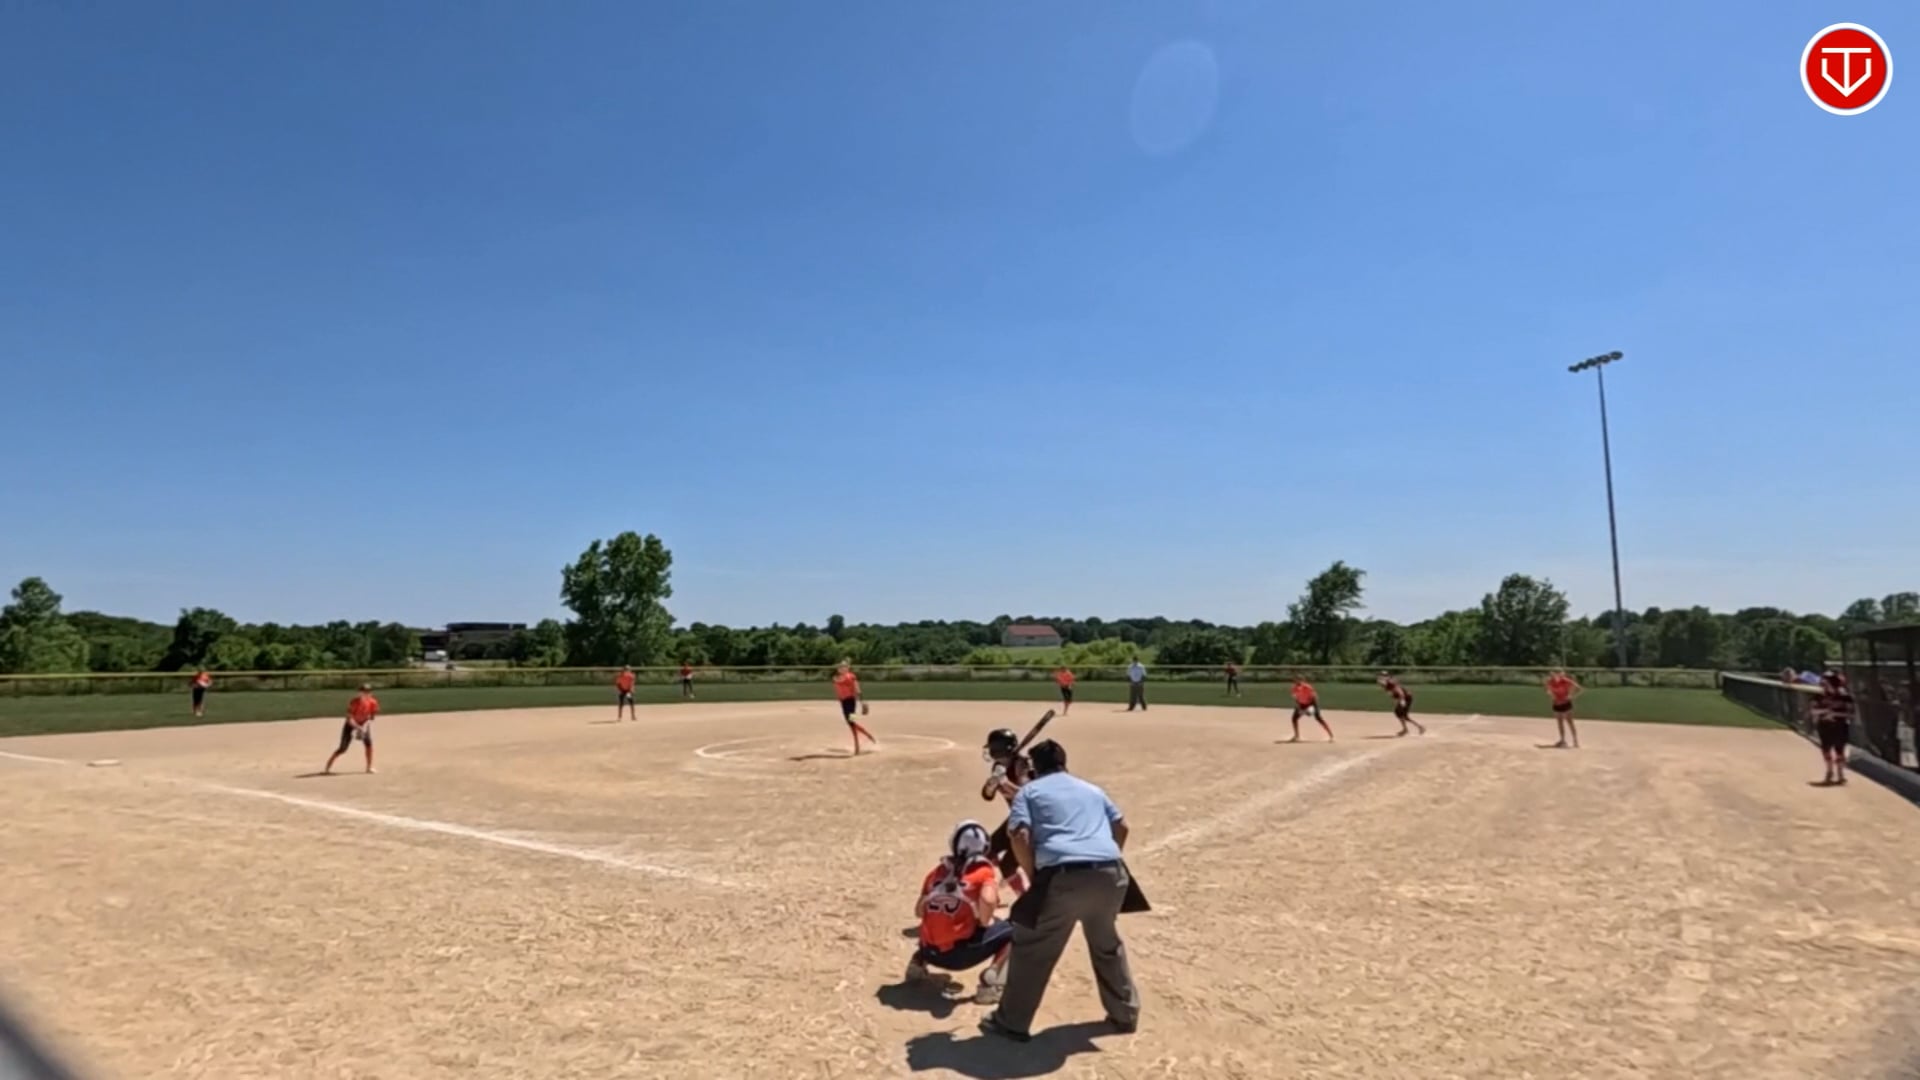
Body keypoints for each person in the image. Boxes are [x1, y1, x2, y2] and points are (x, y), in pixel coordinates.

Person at [980, 739, 1140, 1043]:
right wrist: (1106, 860)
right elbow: (1122, 827)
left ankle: (1011, 1022)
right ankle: (1125, 1014)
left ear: (1035, 768)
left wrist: (1033, 873)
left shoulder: (1029, 791)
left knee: (1033, 948)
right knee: (1107, 945)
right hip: (1111, 875)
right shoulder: (1092, 789)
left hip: (1061, 876)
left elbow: (1018, 835)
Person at [905, 821, 1014, 1004]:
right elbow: (988, 900)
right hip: (958, 957)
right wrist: (984, 921)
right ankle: (990, 984)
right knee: (1014, 931)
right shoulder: (983, 872)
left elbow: (919, 911)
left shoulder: (937, 872)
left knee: (937, 923)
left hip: (928, 950)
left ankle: (918, 962)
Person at [980, 728, 1035, 900]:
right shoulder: (999, 767)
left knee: (1008, 865)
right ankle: (994, 892)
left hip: (1032, 821)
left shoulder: (1022, 765)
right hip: (1017, 818)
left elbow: (1028, 796)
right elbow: (987, 795)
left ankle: (1028, 899)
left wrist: (1004, 782)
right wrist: (991, 784)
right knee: (987, 851)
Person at [1812, 670, 1856, 786]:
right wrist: (1825, 711)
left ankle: (1840, 774)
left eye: (1826, 682)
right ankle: (1829, 771)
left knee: (1839, 751)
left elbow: (1851, 714)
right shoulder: (1819, 696)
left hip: (1840, 726)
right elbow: (1813, 710)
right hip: (1824, 726)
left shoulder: (1845, 697)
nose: (1824, 684)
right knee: (1826, 750)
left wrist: (1835, 714)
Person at [324, 684, 379, 775]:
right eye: (364, 692)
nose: (366, 694)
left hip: (363, 725)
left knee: (369, 745)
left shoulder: (373, 702)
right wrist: (358, 728)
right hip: (350, 726)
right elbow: (349, 718)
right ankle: (328, 766)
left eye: (368, 692)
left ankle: (369, 767)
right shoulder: (354, 702)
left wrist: (364, 726)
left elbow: (371, 718)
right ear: (359, 693)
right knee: (343, 748)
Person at [833, 660, 877, 755]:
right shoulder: (836, 678)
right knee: (850, 723)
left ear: (847, 668)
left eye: (843, 666)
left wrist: (862, 701)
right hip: (844, 703)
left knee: (852, 722)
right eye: (840, 667)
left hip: (851, 701)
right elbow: (839, 691)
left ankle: (858, 745)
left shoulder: (851, 676)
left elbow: (857, 689)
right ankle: (867, 735)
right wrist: (840, 700)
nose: (841, 668)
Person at [1287, 677, 1334, 742]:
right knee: (1294, 718)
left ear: (1302, 680)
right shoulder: (1294, 688)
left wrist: (1311, 708)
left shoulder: (1307, 687)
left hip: (1312, 703)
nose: (1297, 681)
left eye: (1299, 680)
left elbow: (1314, 697)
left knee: (1318, 718)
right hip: (1302, 704)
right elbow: (1296, 698)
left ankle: (1331, 736)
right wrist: (1300, 707)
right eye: (1296, 680)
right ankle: (1297, 736)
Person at [1378, 672, 1424, 736]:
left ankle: (1417, 727)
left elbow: (1400, 692)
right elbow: (1393, 694)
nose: (1380, 678)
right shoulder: (1386, 685)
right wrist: (1396, 701)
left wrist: (1402, 701)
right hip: (1403, 698)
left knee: (1402, 715)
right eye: (1381, 676)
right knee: (1399, 713)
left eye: (1383, 676)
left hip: (1406, 698)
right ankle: (1412, 728)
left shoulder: (1390, 683)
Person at [1545, 669, 1582, 749]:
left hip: (1566, 704)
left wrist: (1571, 696)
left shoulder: (1564, 680)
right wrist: (1551, 695)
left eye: (1556, 673)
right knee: (1560, 723)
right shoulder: (1550, 682)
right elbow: (1548, 690)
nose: (1553, 675)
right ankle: (1562, 740)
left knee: (1569, 722)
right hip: (1556, 704)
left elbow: (1579, 688)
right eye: (1553, 674)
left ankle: (1575, 740)